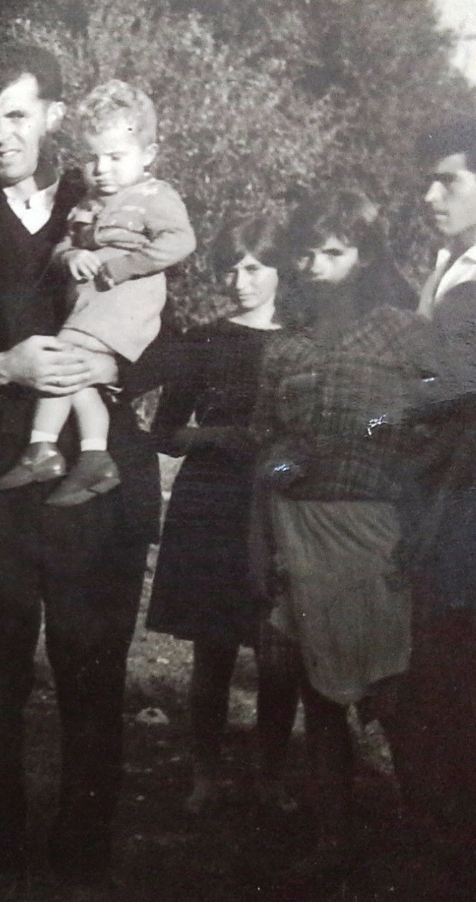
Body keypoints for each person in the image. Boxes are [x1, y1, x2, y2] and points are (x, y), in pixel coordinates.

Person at [0, 43, 164, 884]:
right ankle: (1, 852)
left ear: (54, 115)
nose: (0, 137)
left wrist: (112, 363)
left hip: (94, 484)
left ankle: (85, 853)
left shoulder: (121, 201)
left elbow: (176, 339)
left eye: (16, 116)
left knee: (93, 673)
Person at [252, 188, 423, 873]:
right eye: (307, 253)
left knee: (397, 694)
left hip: (377, 528)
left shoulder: (405, 333)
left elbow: (424, 420)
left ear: (365, 256)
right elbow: (269, 452)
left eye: (335, 252)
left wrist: (369, 431)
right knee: (318, 695)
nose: (318, 266)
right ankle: (333, 840)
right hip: (299, 531)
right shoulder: (283, 350)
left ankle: (431, 841)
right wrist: (265, 528)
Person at [145, 214, 301, 816]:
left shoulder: (304, 341)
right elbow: (165, 432)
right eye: (231, 269)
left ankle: (271, 776)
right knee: (212, 650)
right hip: (211, 502)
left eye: (255, 268)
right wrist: (213, 437)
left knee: (277, 649)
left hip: (279, 501)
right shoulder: (202, 339)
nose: (241, 282)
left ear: (281, 270)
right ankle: (204, 775)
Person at [0, 79, 195, 506]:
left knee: (59, 362)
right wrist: (71, 257)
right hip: (90, 305)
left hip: (124, 303)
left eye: (116, 157)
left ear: (148, 155)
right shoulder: (87, 203)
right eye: (92, 157)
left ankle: (41, 448)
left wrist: (123, 267)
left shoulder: (154, 195)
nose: (102, 169)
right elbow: (64, 246)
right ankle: (94, 457)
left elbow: (180, 241)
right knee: (79, 377)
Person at [395, 116, 476, 881]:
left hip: (462, 502)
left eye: (447, 180)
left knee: (450, 673)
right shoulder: (449, 265)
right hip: (441, 495)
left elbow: (451, 389)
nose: (430, 195)